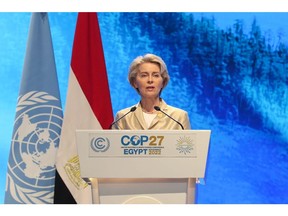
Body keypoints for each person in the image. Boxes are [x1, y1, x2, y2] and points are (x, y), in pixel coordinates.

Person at [111, 53, 191, 130]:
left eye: (155, 75)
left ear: (163, 82)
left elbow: (187, 143)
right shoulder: (123, 117)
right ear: (135, 82)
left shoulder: (178, 117)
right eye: (144, 75)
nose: (150, 80)